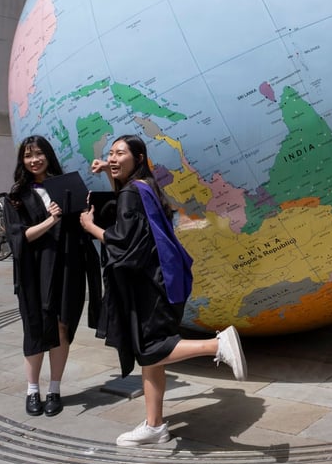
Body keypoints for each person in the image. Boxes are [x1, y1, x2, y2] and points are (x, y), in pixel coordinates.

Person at [79, 134, 247, 447]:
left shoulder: (131, 193)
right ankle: (155, 426)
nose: (112, 159)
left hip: (149, 285)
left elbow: (124, 242)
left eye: (120, 154)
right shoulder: (146, 186)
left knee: (152, 348)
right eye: (110, 154)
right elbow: (136, 219)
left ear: (139, 158)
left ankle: (216, 346)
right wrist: (107, 169)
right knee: (150, 358)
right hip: (166, 279)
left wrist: (91, 228)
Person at [3, 135, 102, 417]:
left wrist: (86, 210)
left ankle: (54, 389)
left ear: (48, 155)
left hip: (66, 267)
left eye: (39, 154)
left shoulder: (64, 187)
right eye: (28, 155)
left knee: (61, 327)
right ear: (22, 160)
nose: (34, 160)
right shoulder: (16, 197)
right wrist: (51, 220)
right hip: (33, 272)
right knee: (34, 329)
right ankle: (32, 390)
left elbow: (81, 224)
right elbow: (19, 238)